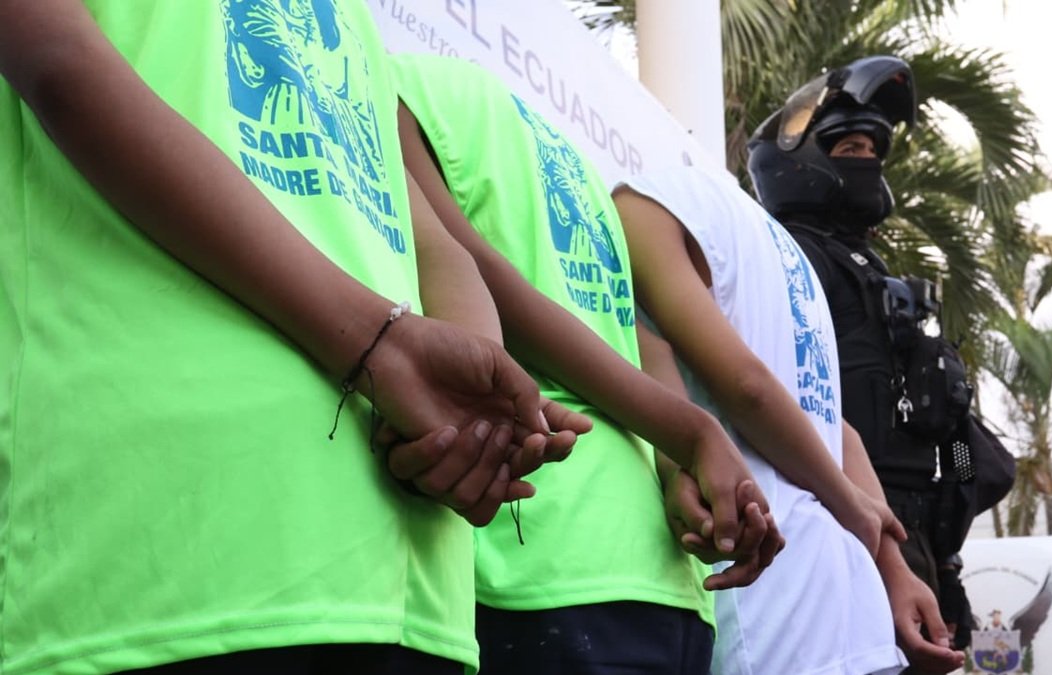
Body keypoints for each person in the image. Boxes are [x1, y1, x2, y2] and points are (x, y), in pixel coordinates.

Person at [0, 2, 589, 673]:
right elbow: (58, 63)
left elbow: (433, 243)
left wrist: (466, 420)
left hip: (386, 576)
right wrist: (387, 350)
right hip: (165, 551)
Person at [390, 52, 790, 674]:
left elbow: (468, 270)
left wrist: (690, 437)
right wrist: (675, 455)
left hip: (538, 556)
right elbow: (640, 345)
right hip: (664, 580)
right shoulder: (569, 158)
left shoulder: (388, 79)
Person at [615, 167, 964, 674]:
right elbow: (837, 432)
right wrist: (892, 565)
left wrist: (854, 508)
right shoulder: (787, 253)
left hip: (767, 602)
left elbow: (749, 389)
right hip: (849, 603)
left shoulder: (643, 204)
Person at [746, 55, 988, 672]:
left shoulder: (880, 278)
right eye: (850, 144)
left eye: (874, 147)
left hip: (920, 535)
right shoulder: (790, 258)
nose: (867, 159)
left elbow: (953, 439)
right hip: (850, 518)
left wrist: (948, 544)